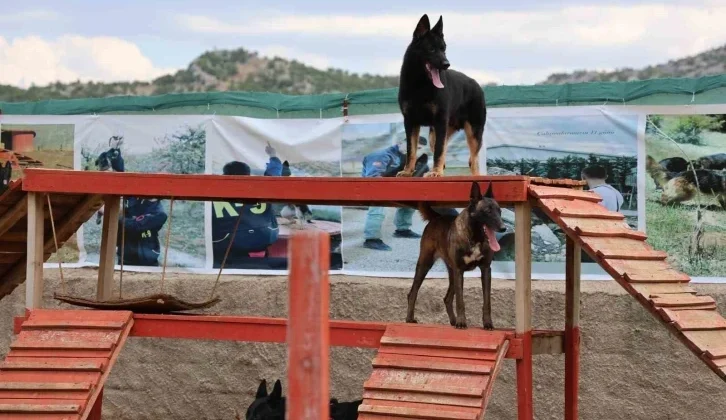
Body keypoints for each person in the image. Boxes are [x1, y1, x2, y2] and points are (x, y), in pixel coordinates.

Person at [211, 143, 283, 267]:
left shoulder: (214, 193)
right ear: (248, 175)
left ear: (225, 177)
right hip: (263, 240)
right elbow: (274, 173)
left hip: (227, 248)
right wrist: (273, 156)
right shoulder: (263, 189)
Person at [361, 136, 427, 251]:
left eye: (419, 148)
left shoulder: (411, 159)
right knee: (378, 206)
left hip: (393, 189)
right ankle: (371, 239)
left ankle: (402, 229)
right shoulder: (381, 155)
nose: (414, 149)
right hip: (373, 189)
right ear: (400, 142)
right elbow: (373, 181)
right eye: (412, 145)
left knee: (412, 199)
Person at [116, 197, 168, 266]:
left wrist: (114, 216)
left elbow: (136, 225)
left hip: (146, 257)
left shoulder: (160, 214)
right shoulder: (134, 200)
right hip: (126, 254)